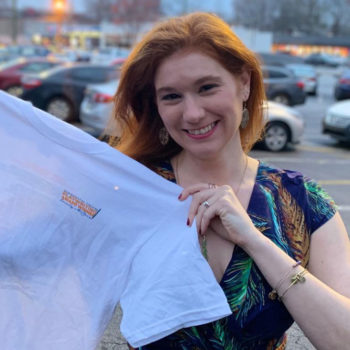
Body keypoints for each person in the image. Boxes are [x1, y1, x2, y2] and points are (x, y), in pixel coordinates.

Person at [111, 12, 350, 350]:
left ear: (244, 83)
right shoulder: (133, 189)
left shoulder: (302, 201)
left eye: (207, 87)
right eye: (172, 96)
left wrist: (255, 240)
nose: (192, 113)